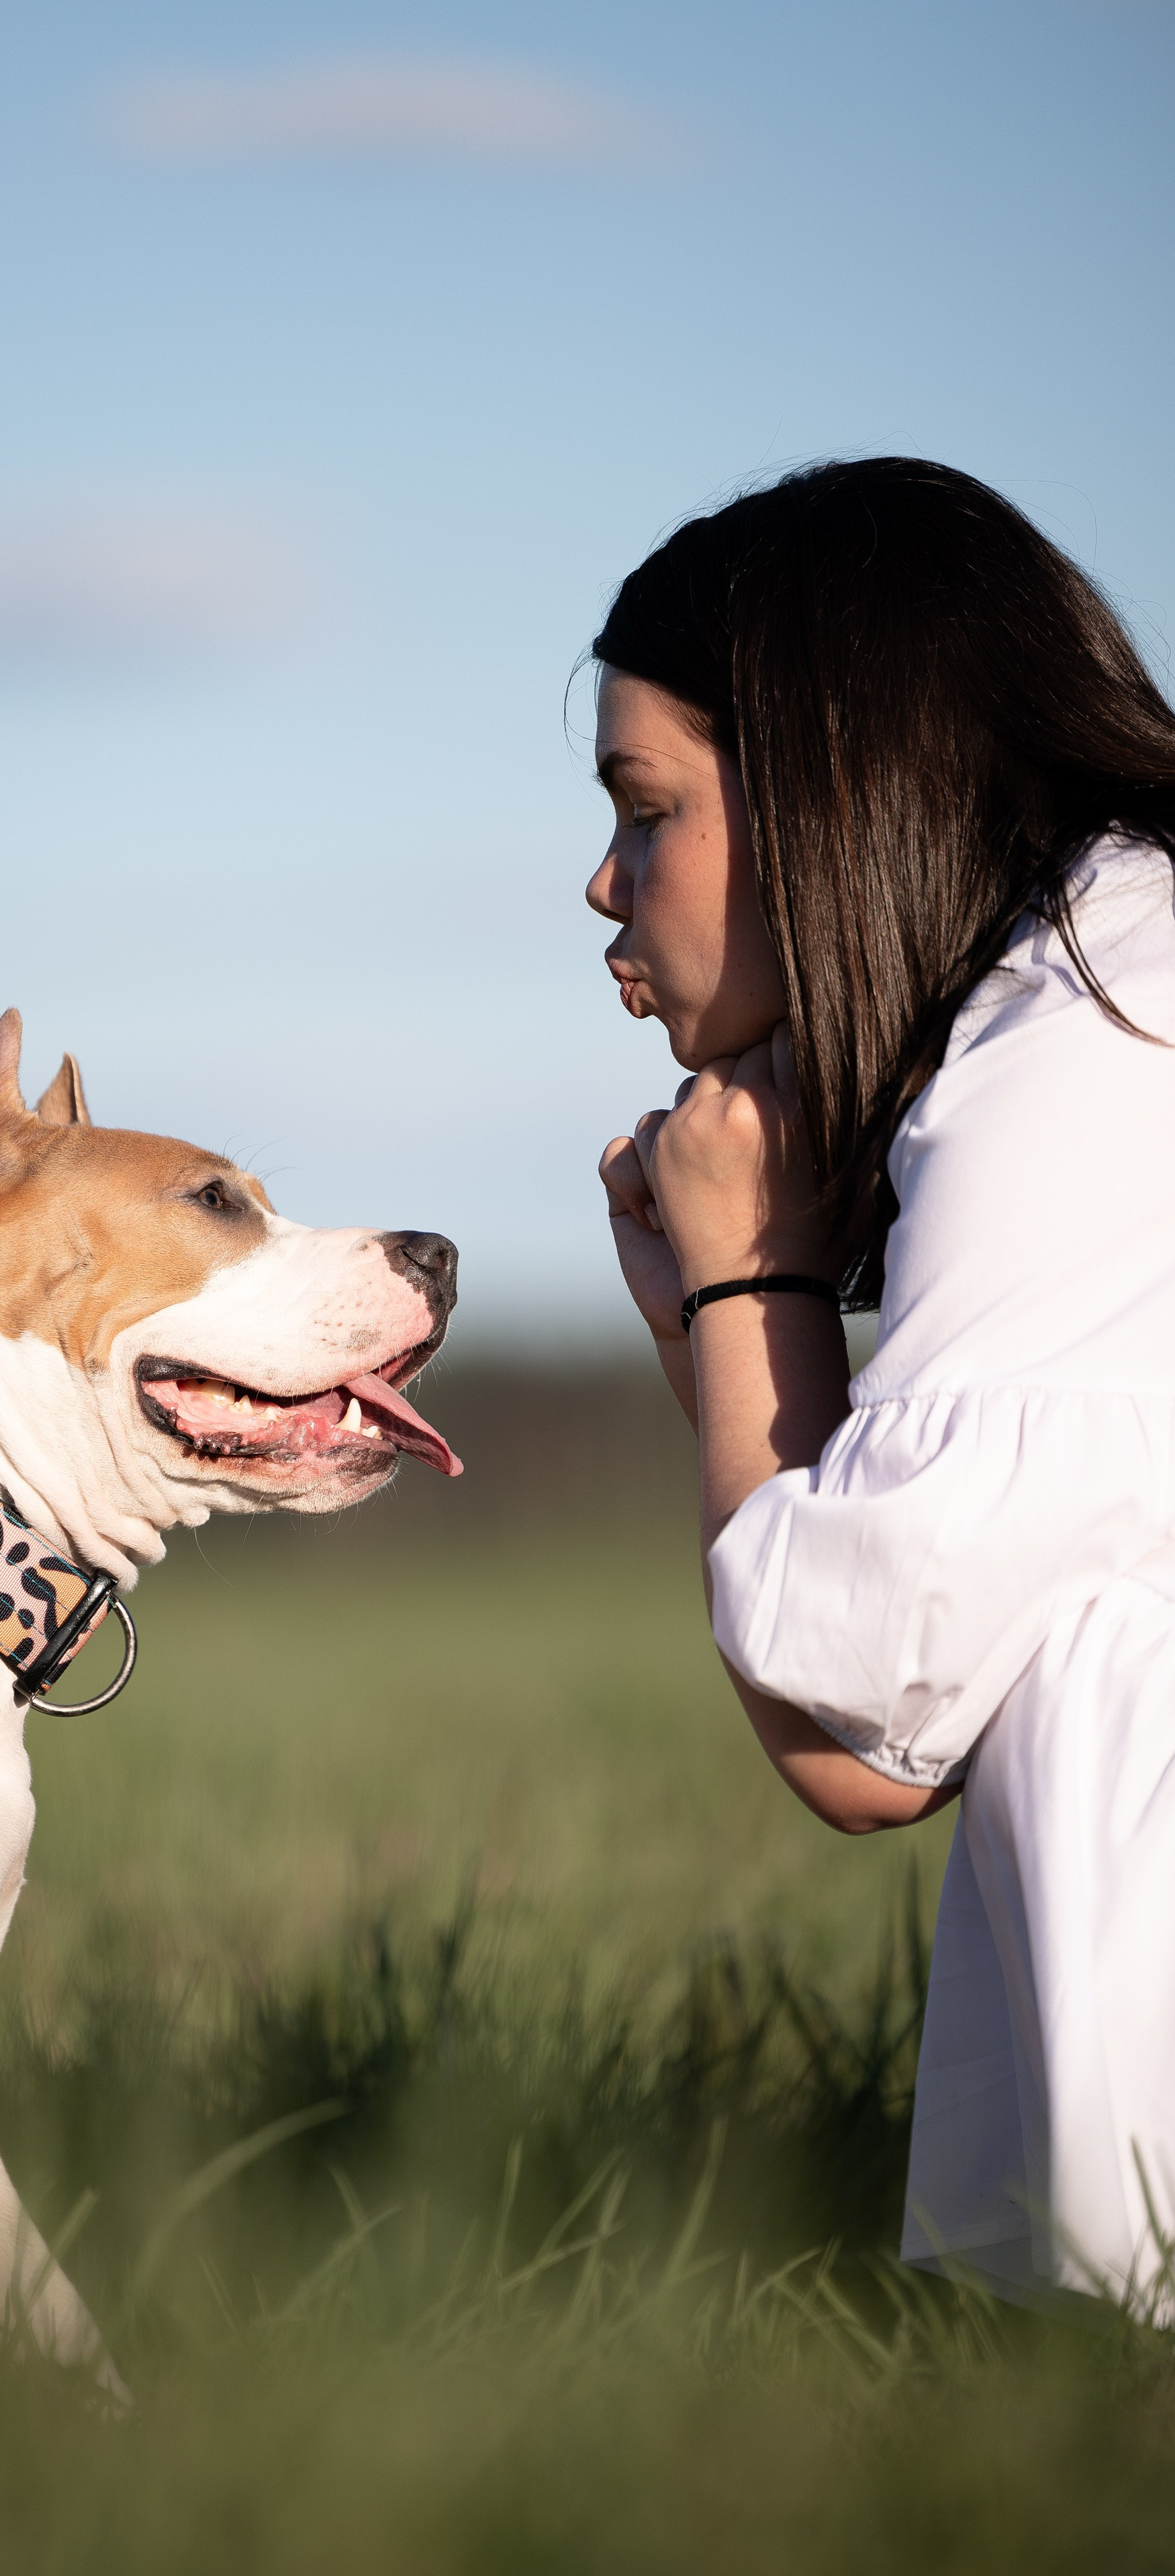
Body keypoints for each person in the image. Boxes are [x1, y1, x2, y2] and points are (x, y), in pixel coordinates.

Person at [588, 458, 1175, 2310]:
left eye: (648, 807)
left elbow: (859, 1736)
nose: (604, 881)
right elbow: (882, 1593)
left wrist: (747, 1276)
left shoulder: (1089, 1038)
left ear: (835, 793)